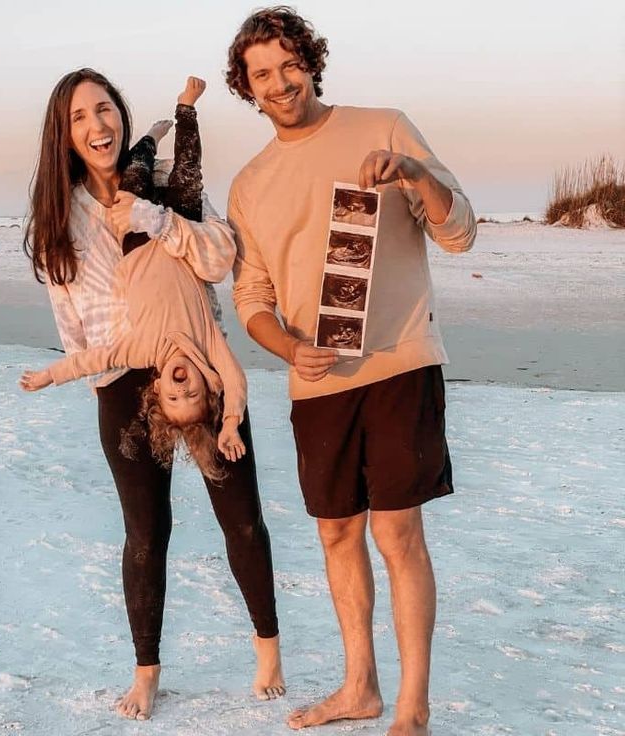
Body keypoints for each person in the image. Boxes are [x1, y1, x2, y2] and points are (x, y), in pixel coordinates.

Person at [225, 8, 476, 735]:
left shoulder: (384, 126)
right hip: (319, 383)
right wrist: (285, 348)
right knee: (337, 534)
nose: (279, 83)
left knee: (398, 532)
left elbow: (458, 232)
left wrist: (416, 173)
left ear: (310, 60)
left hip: (399, 361)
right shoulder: (251, 183)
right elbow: (252, 297)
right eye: (261, 73)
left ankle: (412, 707)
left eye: (287, 64)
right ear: (247, 87)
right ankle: (359, 688)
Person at [23, 69, 284, 721]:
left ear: (120, 114)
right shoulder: (59, 218)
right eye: (79, 117)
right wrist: (105, 390)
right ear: (64, 135)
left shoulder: (163, 177)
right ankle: (146, 672)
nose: (97, 125)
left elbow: (221, 257)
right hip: (119, 380)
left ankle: (269, 650)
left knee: (241, 515)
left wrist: (158, 222)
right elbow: (69, 324)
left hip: (196, 365)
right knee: (146, 532)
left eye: (104, 109)